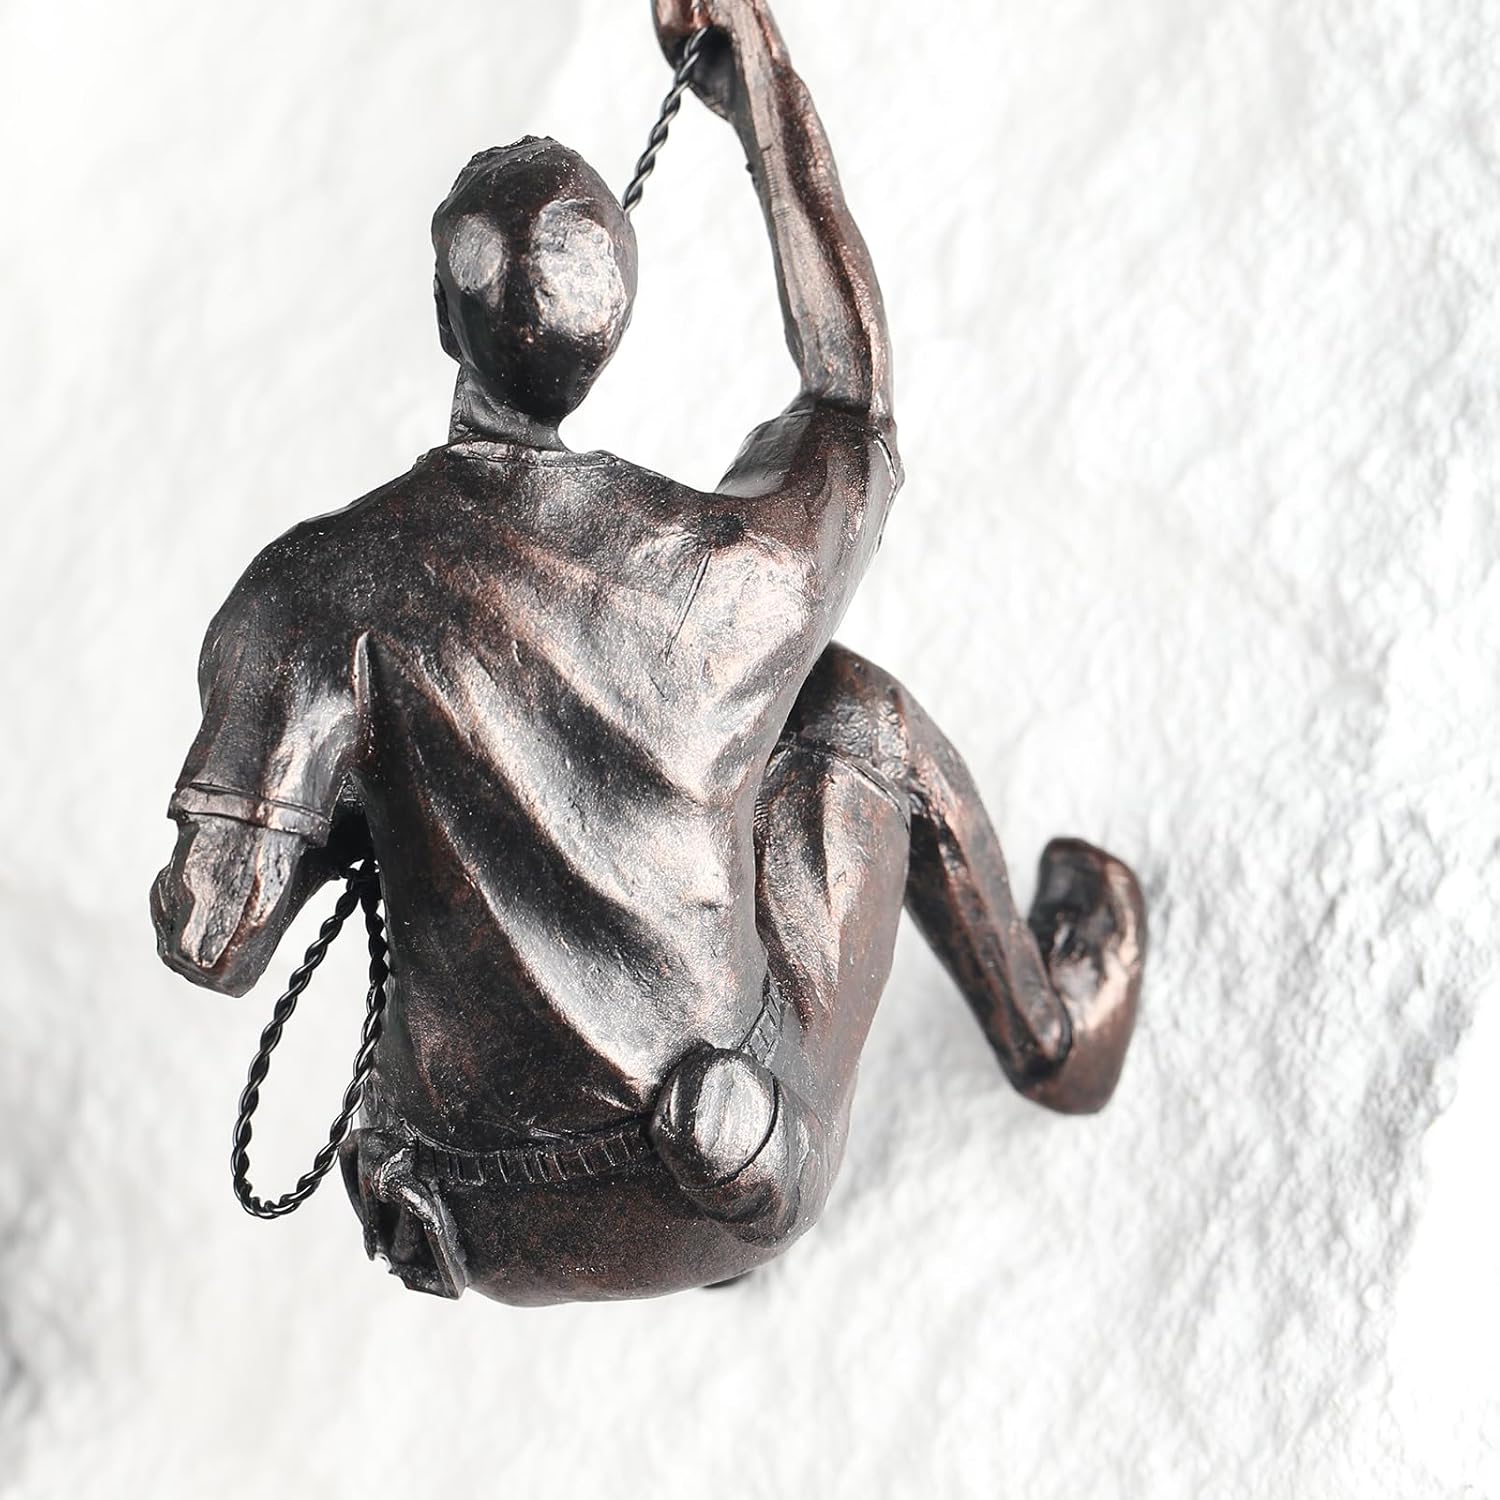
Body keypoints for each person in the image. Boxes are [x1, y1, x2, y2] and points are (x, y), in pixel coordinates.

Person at [151, 0, 1145, 1305]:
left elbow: (214, 939)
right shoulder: (730, 576)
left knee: (788, 719)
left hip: (452, 1209)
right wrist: (760, 88)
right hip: (715, 1162)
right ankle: (1052, 1036)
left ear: (445, 316)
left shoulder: (310, 593)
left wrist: (343, 795)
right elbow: (850, 404)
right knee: (851, 712)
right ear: (612, 332)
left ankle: (644, 1222)